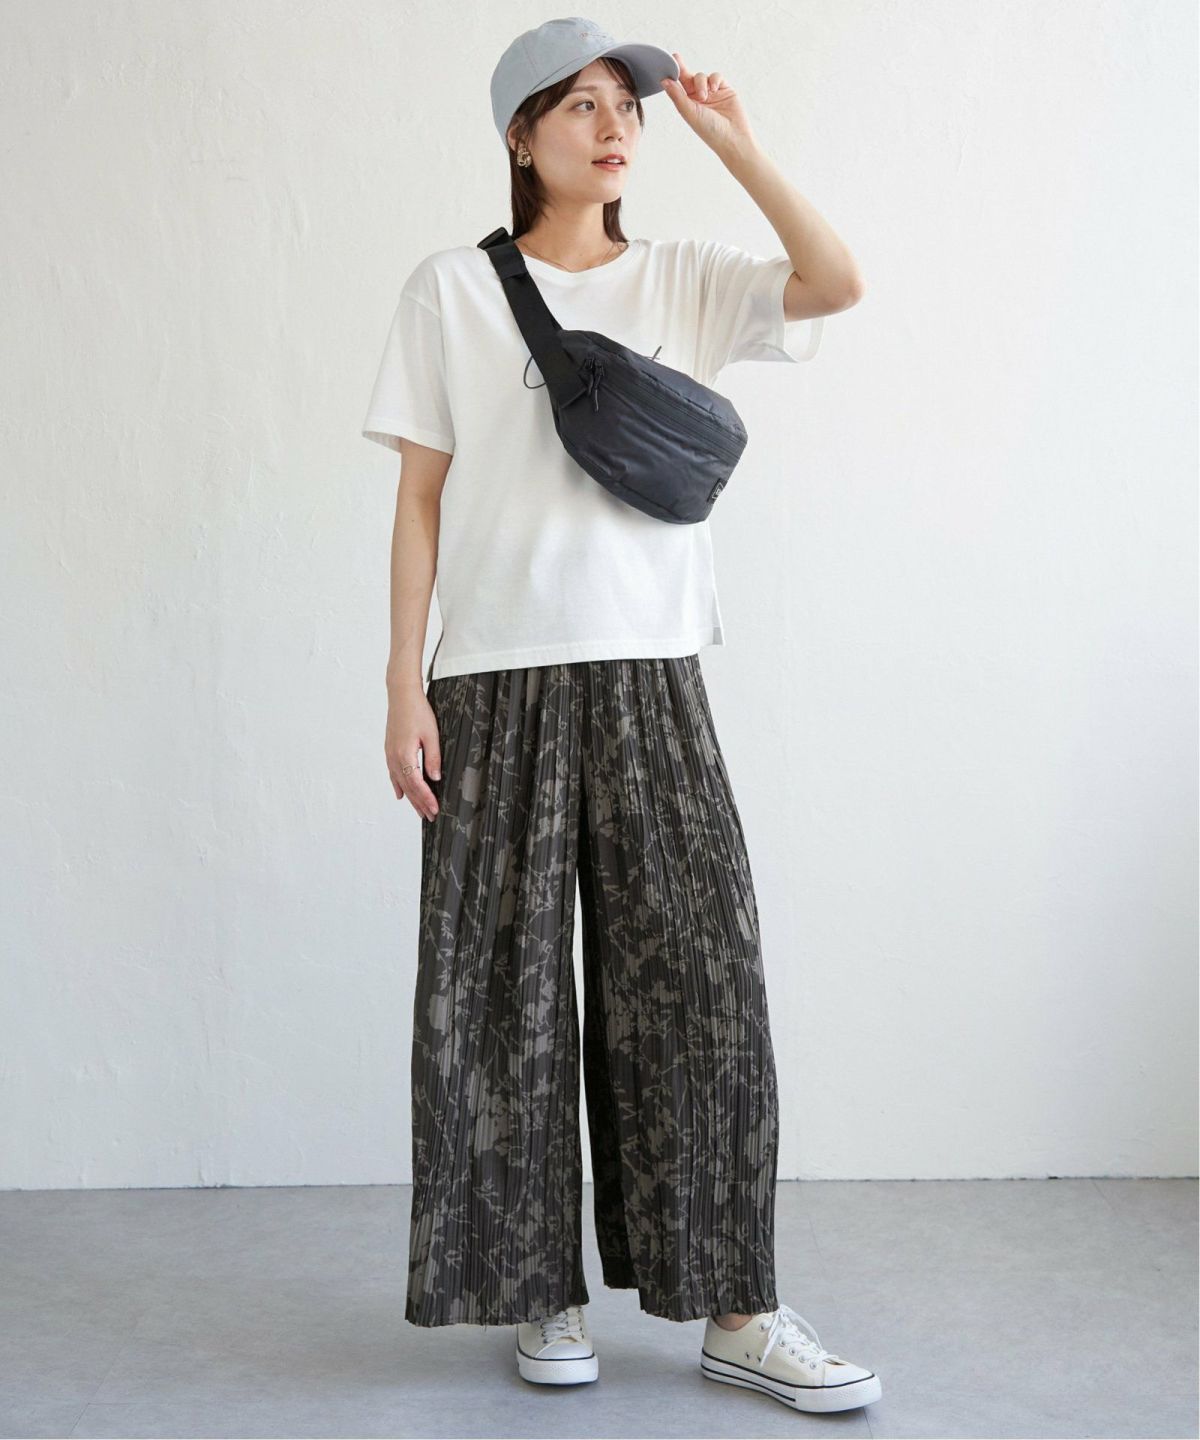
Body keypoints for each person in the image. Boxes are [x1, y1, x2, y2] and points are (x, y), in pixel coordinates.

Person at [361, 16, 879, 1417]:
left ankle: (738, 1309)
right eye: (583, 106)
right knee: (504, 1000)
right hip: (494, 680)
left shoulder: (686, 278)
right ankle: (539, 1290)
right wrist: (402, 682)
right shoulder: (449, 291)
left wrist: (736, 143)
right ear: (520, 133)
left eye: (629, 110)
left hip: (654, 671)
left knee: (704, 985)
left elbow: (837, 280)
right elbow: (418, 498)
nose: (615, 128)